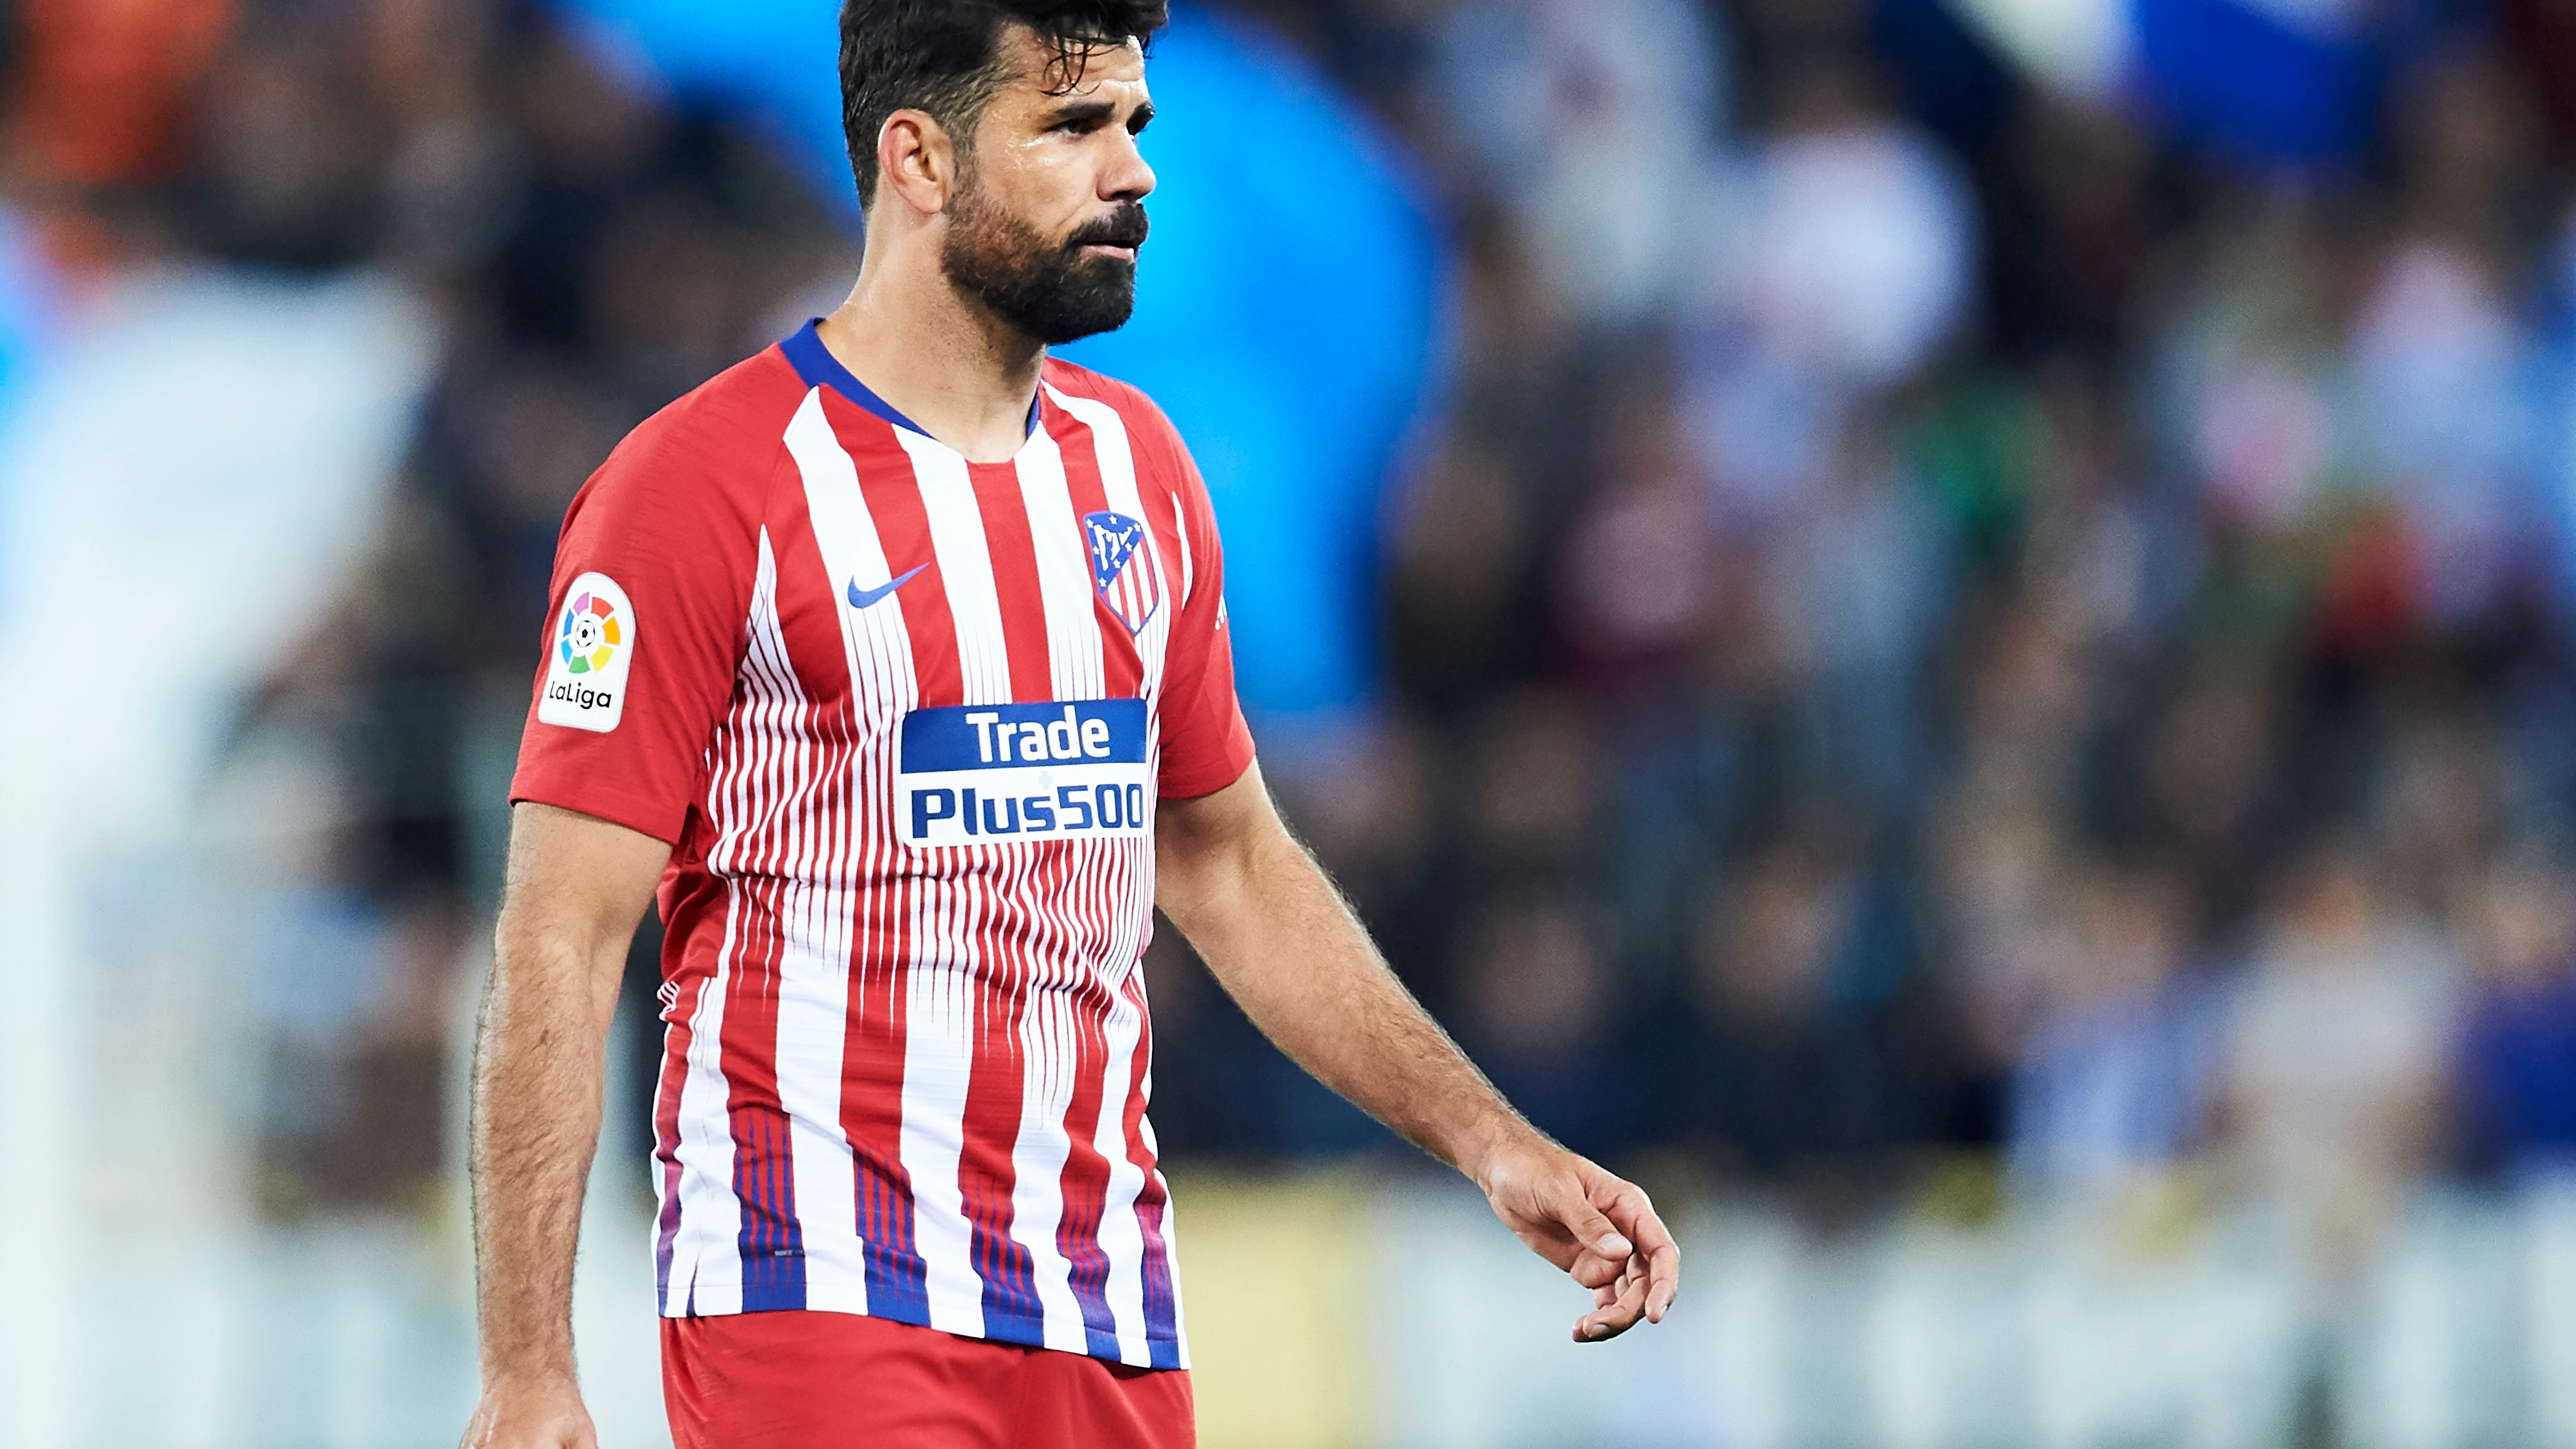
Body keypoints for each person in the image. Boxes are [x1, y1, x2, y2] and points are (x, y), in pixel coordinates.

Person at [457, 5, 1680, 1447]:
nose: (1134, 174)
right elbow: (561, 932)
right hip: (821, 1304)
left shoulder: (1141, 473)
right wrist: (531, 1361)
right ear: (918, 159)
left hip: (1105, 1314)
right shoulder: (698, 490)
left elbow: (1230, 868)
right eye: (1072, 128)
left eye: (1134, 128)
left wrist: (1493, 1138)